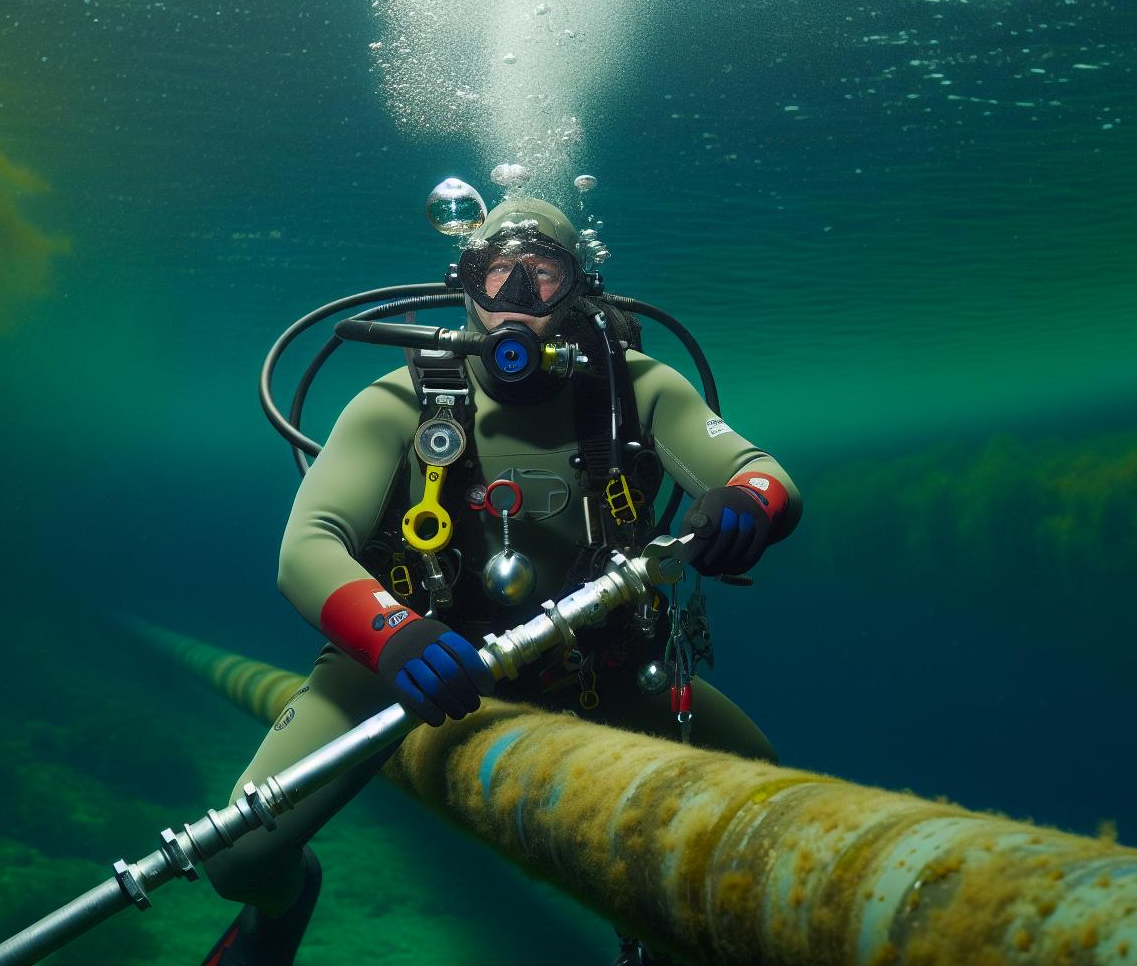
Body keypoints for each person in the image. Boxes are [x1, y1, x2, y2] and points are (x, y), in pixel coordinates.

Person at [202, 197, 802, 966]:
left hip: (597, 665)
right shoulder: (400, 400)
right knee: (236, 859)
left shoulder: (636, 388)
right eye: (497, 278)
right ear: (465, 288)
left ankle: (665, 937)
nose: (516, 302)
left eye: (543, 276)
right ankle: (284, 905)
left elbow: (762, 473)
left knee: (770, 811)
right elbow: (306, 548)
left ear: (580, 289)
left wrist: (746, 502)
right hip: (407, 668)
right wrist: (392, 633)